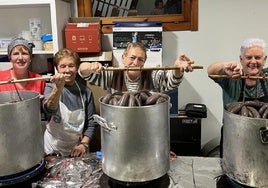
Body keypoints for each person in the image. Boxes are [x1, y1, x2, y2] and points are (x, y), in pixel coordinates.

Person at [207, 38, 268, 157]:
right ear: (241, 59)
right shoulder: (232, 78)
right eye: (249, 57)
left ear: (264, 59)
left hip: (263, 142)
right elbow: (210, 71)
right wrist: (225, 66)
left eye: (258, 57)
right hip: (233, 141)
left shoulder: (266, 78)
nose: (253, 61)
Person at [43, 48, 98, 158]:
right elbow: (49, 109)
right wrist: (58, 88)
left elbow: (92, 122)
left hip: (76, 148)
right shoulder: (50, 87)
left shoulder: (85, 92)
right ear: (57, 69)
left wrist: (83, 144)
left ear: (77, 68)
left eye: (71, 66)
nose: (67, 70)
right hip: (53, 149)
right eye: (62, 66)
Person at [79, 42, 194, 94]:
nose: (135, 62)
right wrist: (90, 66)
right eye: (132, 57)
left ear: (144, 62)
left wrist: (177, 68)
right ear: (123, 58)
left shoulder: (152, 75)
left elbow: (171, 81)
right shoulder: (112, 75)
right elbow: (82, 72)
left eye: (140, 59)